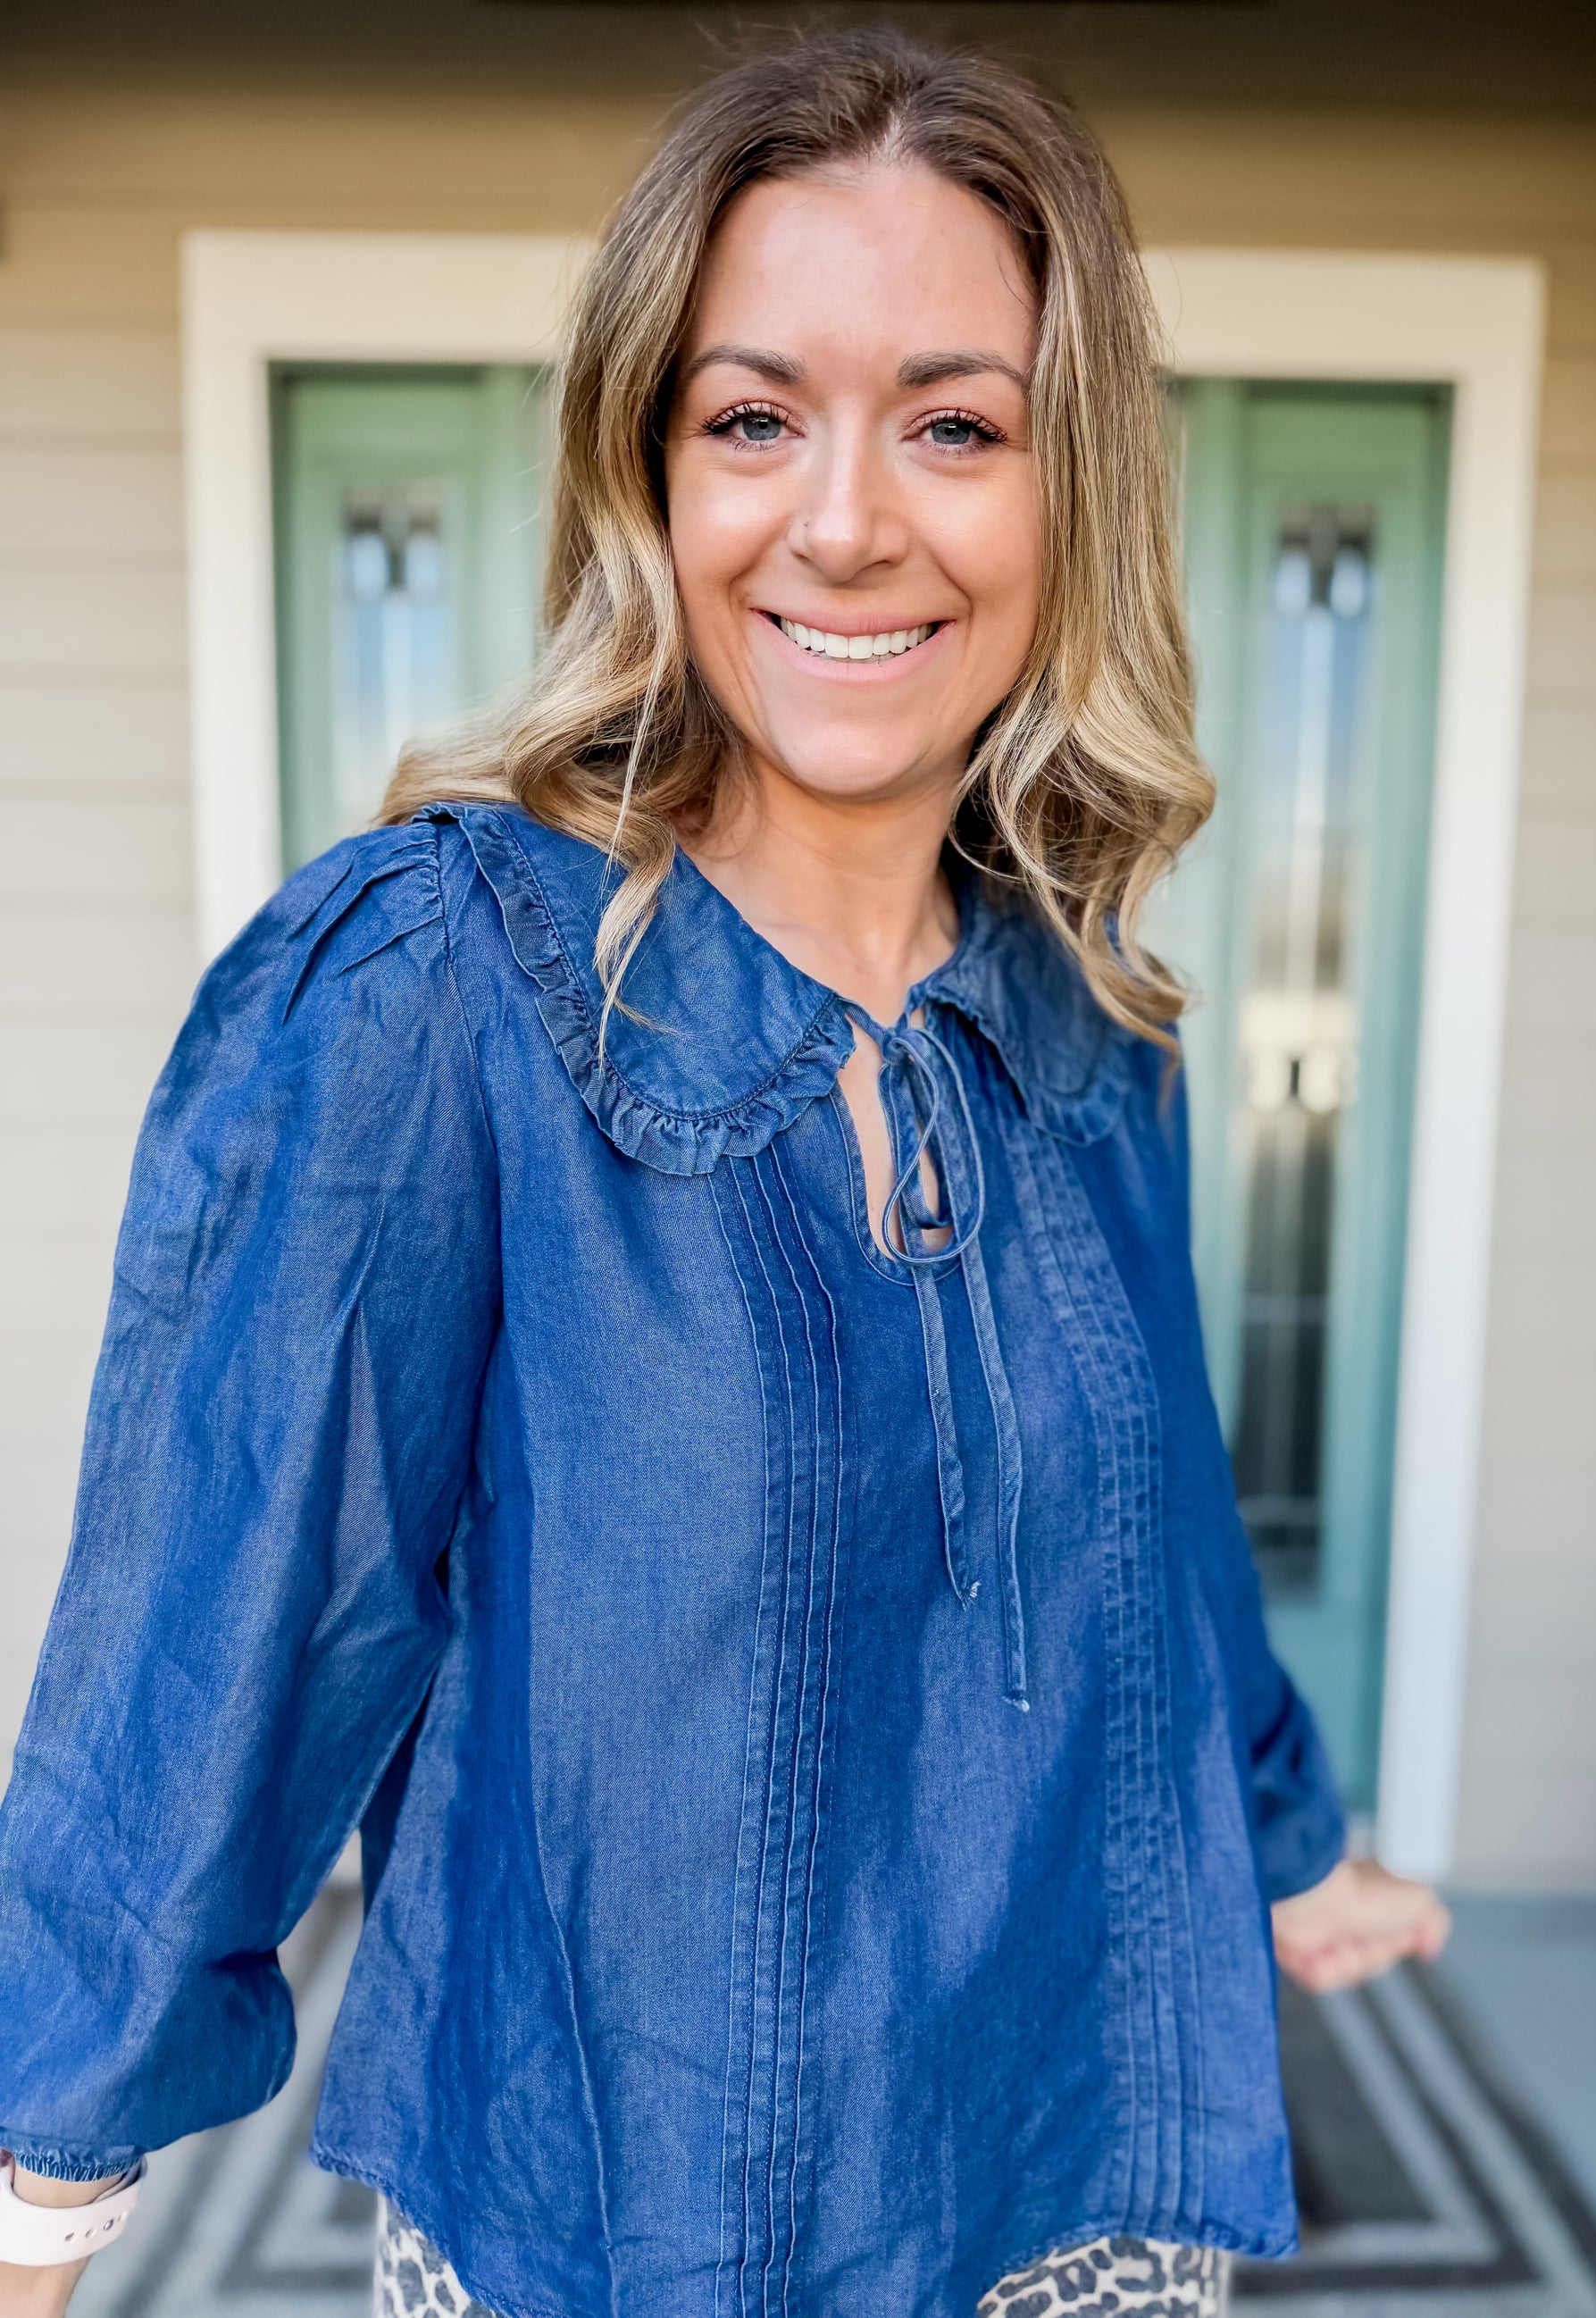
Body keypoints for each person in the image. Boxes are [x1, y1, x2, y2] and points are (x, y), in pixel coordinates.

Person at [0, 29, 1449, 2318]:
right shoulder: (441, 982)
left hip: (1080, 2198)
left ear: (1065, 490)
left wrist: (1283, 1837)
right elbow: (234, 1609)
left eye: (954, 422)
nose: (847, 518)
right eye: (753, 415)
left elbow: (1160, 1501)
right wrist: (39, 2184)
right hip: (630, 2218)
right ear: (648, 471)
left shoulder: (1090, 1022)